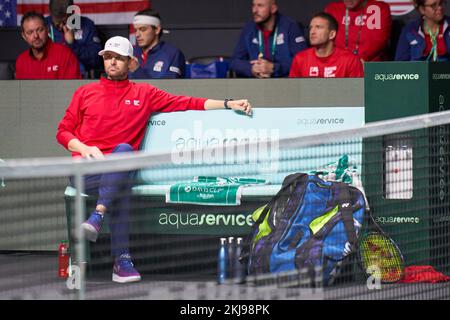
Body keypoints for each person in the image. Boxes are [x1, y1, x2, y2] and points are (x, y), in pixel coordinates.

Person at [56, 36, 252, 283]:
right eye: (108, 57)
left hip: (118, 169)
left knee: (124, 156)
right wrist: (84, 148)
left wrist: (227, 103)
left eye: (118, 58)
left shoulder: (144, 93)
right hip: (86, 171)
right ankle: (121, 260)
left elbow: (187, 103)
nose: (112, 62)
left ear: (131, 63)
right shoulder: (84, 92)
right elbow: (63, 131)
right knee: (123, 176)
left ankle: (99, 216)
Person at [230, 0, 308, 78]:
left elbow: (303, 61)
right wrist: (252, 69)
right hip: (256, 85)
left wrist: (274, 68)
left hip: (285, 85)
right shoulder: (249, 28)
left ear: (273, 8)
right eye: (253, 5)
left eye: (260, 6)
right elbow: (234, 62)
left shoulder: (290, 27)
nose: (254, 10)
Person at [289, 12, 364, 78]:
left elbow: (358, 91)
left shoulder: (350, 60)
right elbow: (294, 91)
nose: (312, 31)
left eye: (318, 27)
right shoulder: (300, 59)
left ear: (332, 34)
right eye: (311, 27)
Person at [15, 11, 81, 79]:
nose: (36, 36)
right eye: (30, 32)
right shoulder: (21, 61)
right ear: (24, 36)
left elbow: (72, 88)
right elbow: (21, 89)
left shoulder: (65, 55)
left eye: (40, 30)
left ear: (47, 29)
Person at [44, 0, 102, 76]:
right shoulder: (42, 26)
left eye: (65, 22)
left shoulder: (87, 25)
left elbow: (96, 60)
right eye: (57, 23)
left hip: (80, 77)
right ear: (51, 14)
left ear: (72, 13)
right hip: (49, 77)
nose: (62, 26)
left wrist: (72, 45)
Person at [324, 0, 392, 62]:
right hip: (339, 64)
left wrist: (361, 60)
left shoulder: (378, 8)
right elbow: (325, 41)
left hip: (368, 64)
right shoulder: (333, 9)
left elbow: (379, 40)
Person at [129, 9, 186, 79]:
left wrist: (137, 71)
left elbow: (170, 87)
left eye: (143, 29)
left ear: (157, 30)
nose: (137, 34)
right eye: (135, 30)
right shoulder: (130, 53)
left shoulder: (172, 54)